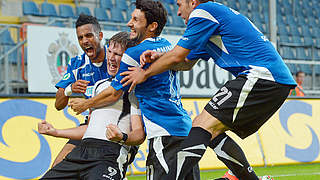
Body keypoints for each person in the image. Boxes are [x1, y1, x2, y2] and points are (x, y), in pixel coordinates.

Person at [119, 0, 297, 180]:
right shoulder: (212, 18)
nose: (179, 12)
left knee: (201, 126)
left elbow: (177, 56)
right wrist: (161, 56)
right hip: (271, 80)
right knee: (210, 132)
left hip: (261, 76)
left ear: (193, 2)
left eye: (180, 5)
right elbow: (185, 63)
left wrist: (144, 73)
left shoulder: (203, 11)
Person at [68, 0, 201, 179]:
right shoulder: (166, 45)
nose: (129, 23)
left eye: (136, 20)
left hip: (165, 134)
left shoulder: (134, 52)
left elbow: (115, 92)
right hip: (184, 130)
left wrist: (86, 104)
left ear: (152, 26)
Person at [38, 31, 145, 179]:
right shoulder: (99, 86)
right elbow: (89, 128)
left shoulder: (135, 87)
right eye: (110, 52)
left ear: (128, 59)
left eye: (118, 55)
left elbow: (139, 134)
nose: (111, 58)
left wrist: (122, 137)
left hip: (110, 153)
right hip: (82, 151)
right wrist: (55, 132)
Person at [52, 13, 115, 167]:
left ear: (100, 35)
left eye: (89, 35)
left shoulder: (115, 58)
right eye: (80, 38)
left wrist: (87, 104)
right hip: (90, 126)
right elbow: (58, 105)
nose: (85, 41)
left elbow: (116, 94)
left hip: (117, 127)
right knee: (57, 167)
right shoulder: (77, 63)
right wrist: (69, 89)